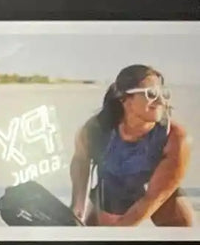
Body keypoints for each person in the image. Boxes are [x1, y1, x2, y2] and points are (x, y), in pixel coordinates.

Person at [69, 64, 192, 228]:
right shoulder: (97, 129)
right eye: (151, 94)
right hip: (111, 189)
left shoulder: (175, 137)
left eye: (163, 94)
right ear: (125, 99)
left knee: (185, 238)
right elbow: (81, 159)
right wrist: (77, 206)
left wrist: (122, 232)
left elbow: (155, 197)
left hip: (154, 190)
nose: (161, 101)